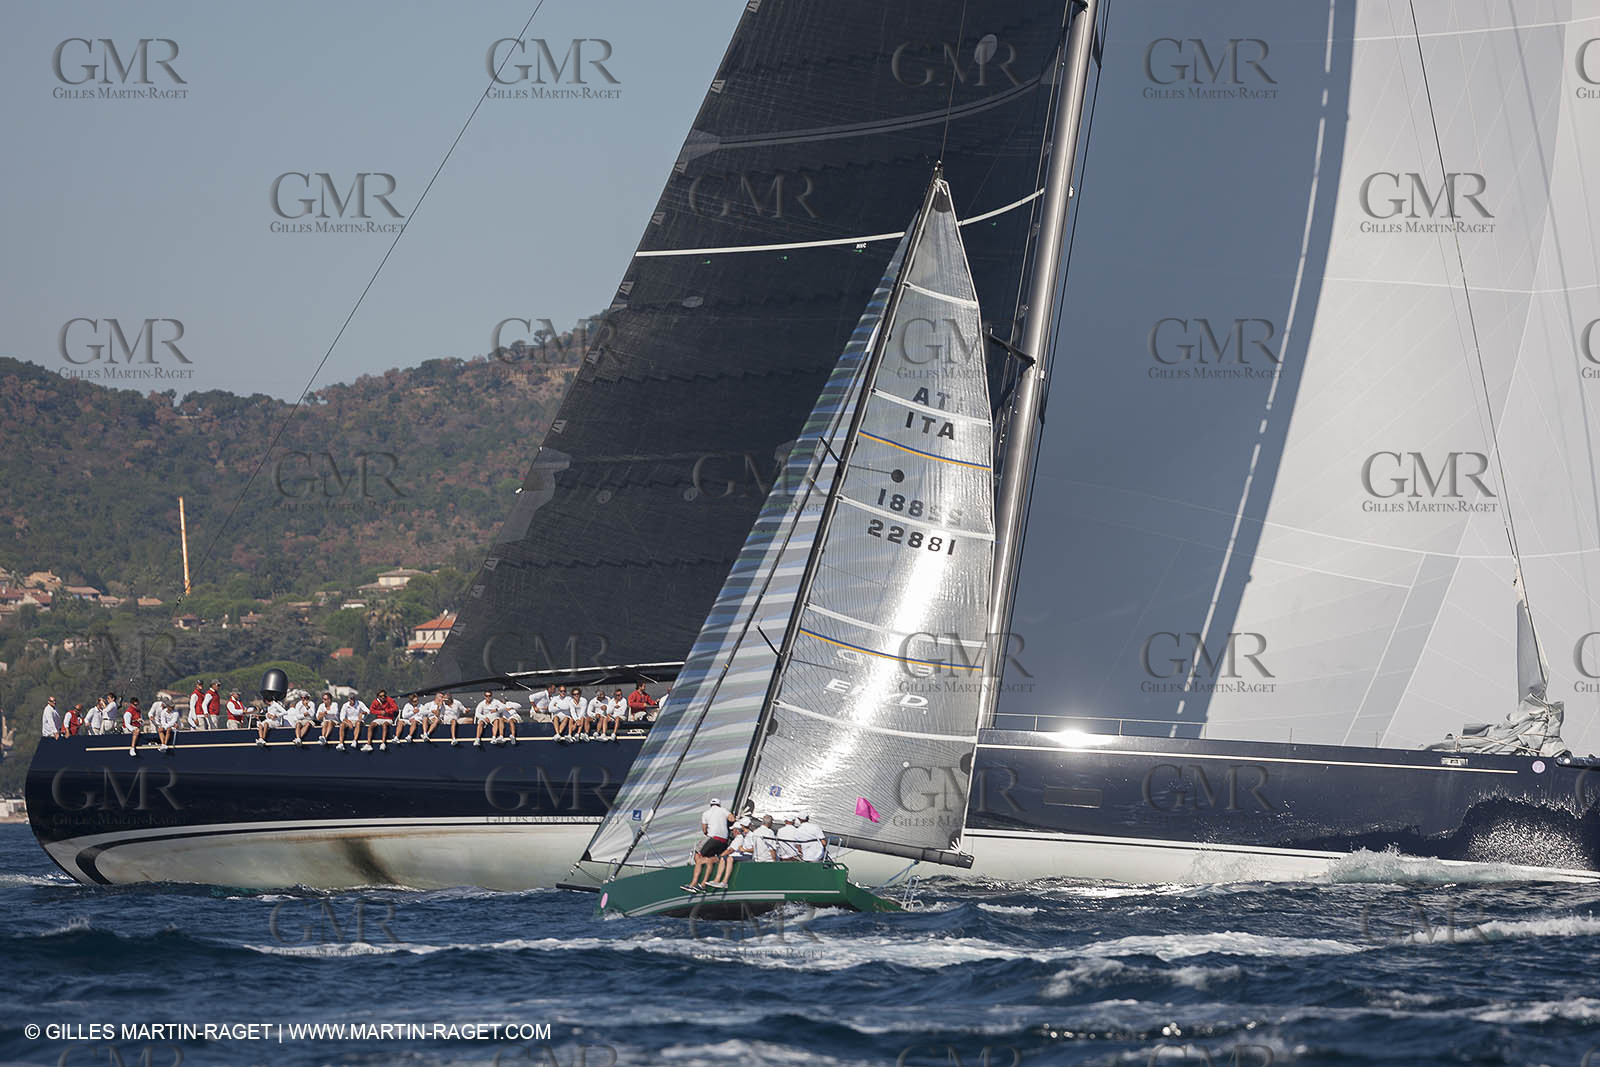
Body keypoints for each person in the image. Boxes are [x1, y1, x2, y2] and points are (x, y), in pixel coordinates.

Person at [684, 796, 734, 892]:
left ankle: (693, 883)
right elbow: (731, 819)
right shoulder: (723, 810)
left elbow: (704, 830)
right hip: (724, 840)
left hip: (713, 838)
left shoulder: (706, 813)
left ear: (710, 805)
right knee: (711, 859)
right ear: (719, 804)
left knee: (698, 857)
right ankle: (703, 884)